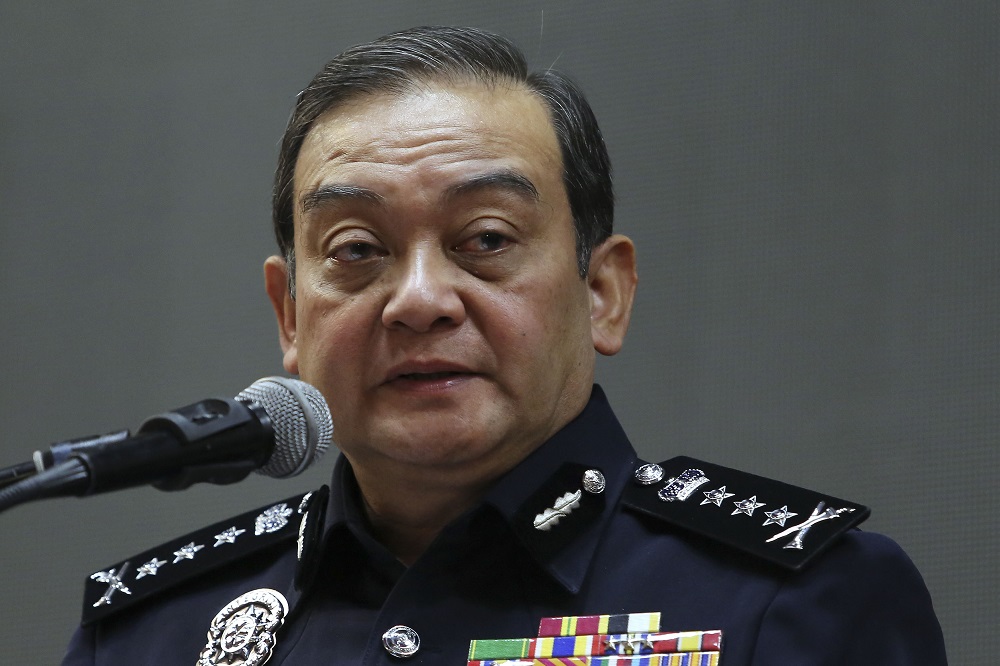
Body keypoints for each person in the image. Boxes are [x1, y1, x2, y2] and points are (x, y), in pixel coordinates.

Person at [62, 26, 947, 665]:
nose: (417, 300)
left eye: (485, 239)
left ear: (603, 293)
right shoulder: (153, 633)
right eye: (357, 251)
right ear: (290, 316)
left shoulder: (783, 600)